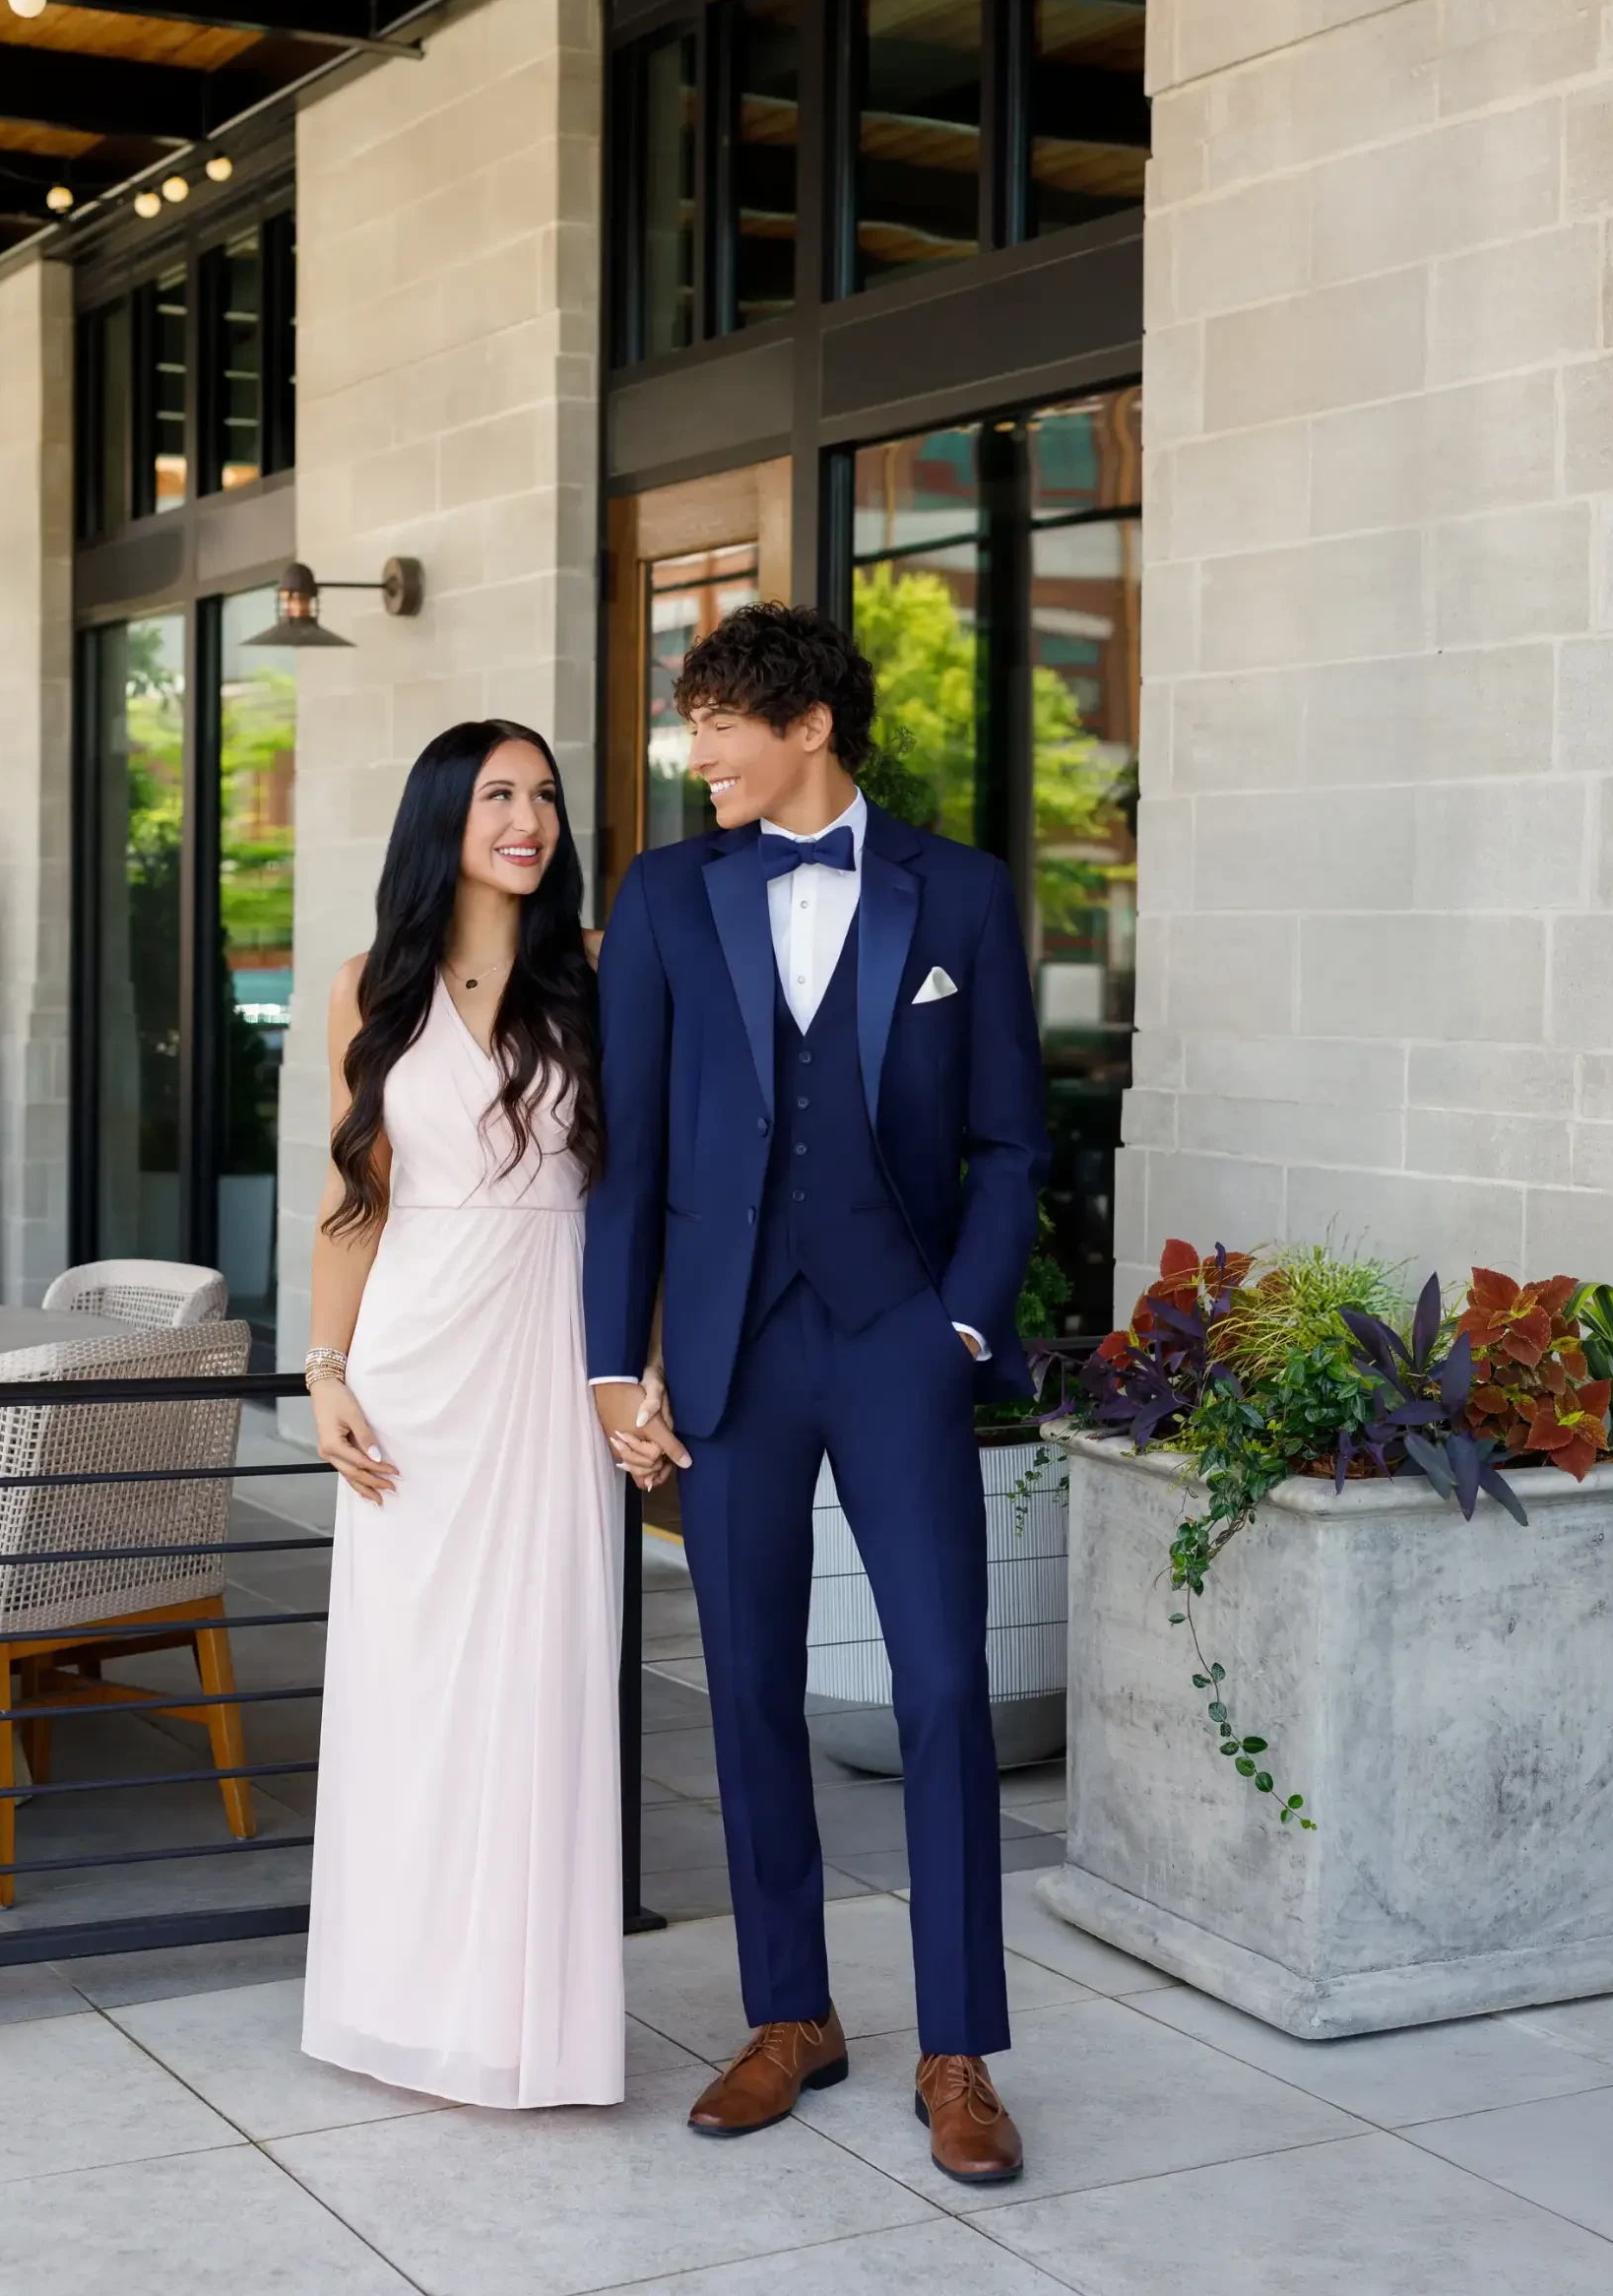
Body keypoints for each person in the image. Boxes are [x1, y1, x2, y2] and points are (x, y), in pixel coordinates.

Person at [585, 606, 1049, 2184]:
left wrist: (964, 1328)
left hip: (898, 1339)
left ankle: (957, 2050)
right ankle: (791, 2015)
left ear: (807, 730)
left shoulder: (961, 895)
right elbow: (630, 1156)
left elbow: (1011, 1143)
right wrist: (609, 1355)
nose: (693, 749)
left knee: (936, 1694)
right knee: (749, 1689)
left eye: (717, 720)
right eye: (692, 719)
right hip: (731, 1356)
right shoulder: (661, 897)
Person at [300, 719, 636, 2108]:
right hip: (413, 1371)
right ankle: (397, 2006)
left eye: (547, 794)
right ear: (443, 814)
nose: (530, 817)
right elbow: (354, 1197)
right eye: (500, 793)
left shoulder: (603, 977)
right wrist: (324, 1373)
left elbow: (635, 1196)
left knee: (546, 1679)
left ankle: (528, 2024)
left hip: (553, 1351)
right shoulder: (366, 988)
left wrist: (639, 1361)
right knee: (413, 1690)